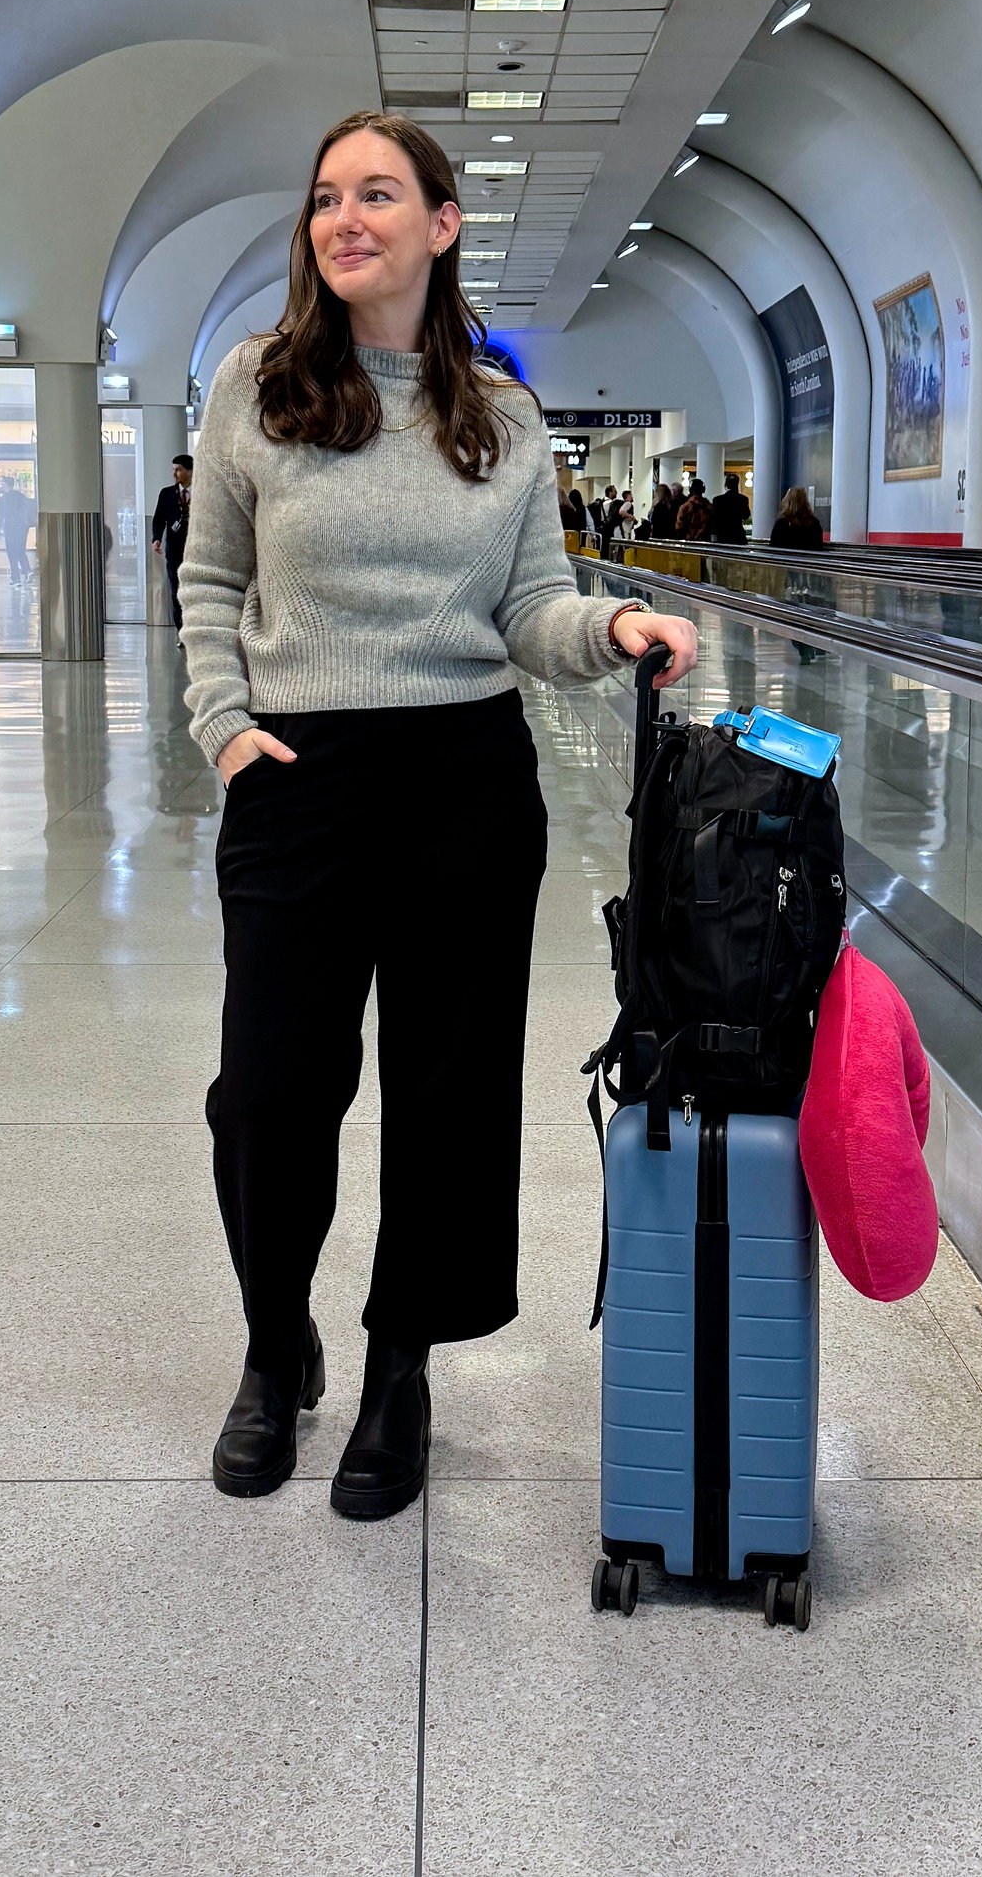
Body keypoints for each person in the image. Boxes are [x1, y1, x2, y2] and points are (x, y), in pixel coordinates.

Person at [178, 109, 699, 1522]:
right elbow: (208, 580)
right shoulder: (259, 387)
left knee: (448, 1090)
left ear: (440, 223)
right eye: (326, 197)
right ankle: (273, 1339)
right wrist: (224, 731)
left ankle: (398, 1361)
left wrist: (611, 625)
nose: (345, 218)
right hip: (298, 781)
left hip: (464, 779)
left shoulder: (501, 414)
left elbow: (527, 609)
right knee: (270, 1092)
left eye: (378, 195)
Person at [151, 453, 193, 628]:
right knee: (176, 590)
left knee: (193, 591)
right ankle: (181, 628)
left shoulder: (202, 492)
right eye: (173, 470)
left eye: (178, 470)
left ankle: (194, 626)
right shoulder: (167, 494)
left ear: (190, 471)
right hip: (174, 550)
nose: (174, 474)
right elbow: (159, 518)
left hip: (194, 550)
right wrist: (156, 538)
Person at [0, 482, 34, 585]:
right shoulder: (21, 496)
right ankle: (27, 571)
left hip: (10, 529)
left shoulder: (3, 499)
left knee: (12, 553)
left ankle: (16, 578)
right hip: (22, 528)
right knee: (21, 550)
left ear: (6, 485)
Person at [708, 470, 751, 546]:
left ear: (726, 485)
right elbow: (746, 516)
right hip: (738, 534)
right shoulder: (743, 499)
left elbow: (714, 519)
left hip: (722, 535)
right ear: (737, 484)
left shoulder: (718, 500)